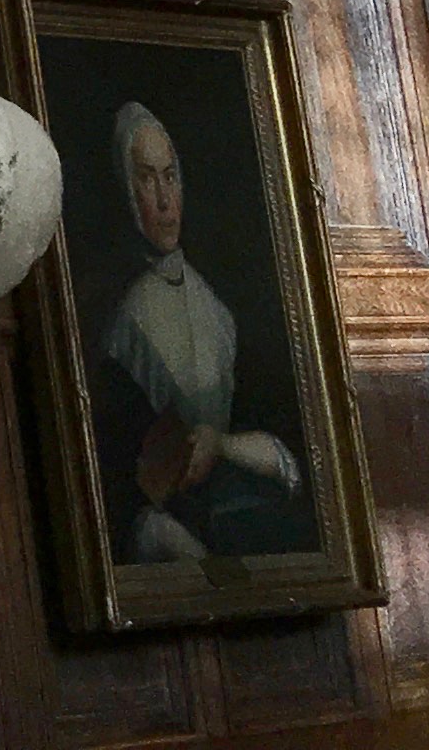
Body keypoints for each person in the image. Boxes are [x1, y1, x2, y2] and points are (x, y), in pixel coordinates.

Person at [94, 101, 312, 563]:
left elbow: (285, 454)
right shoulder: (119, 325)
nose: (164, 200)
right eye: (146, 180)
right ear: (126, 189)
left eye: (170, 177)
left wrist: (223, 446)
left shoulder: (219, 308)